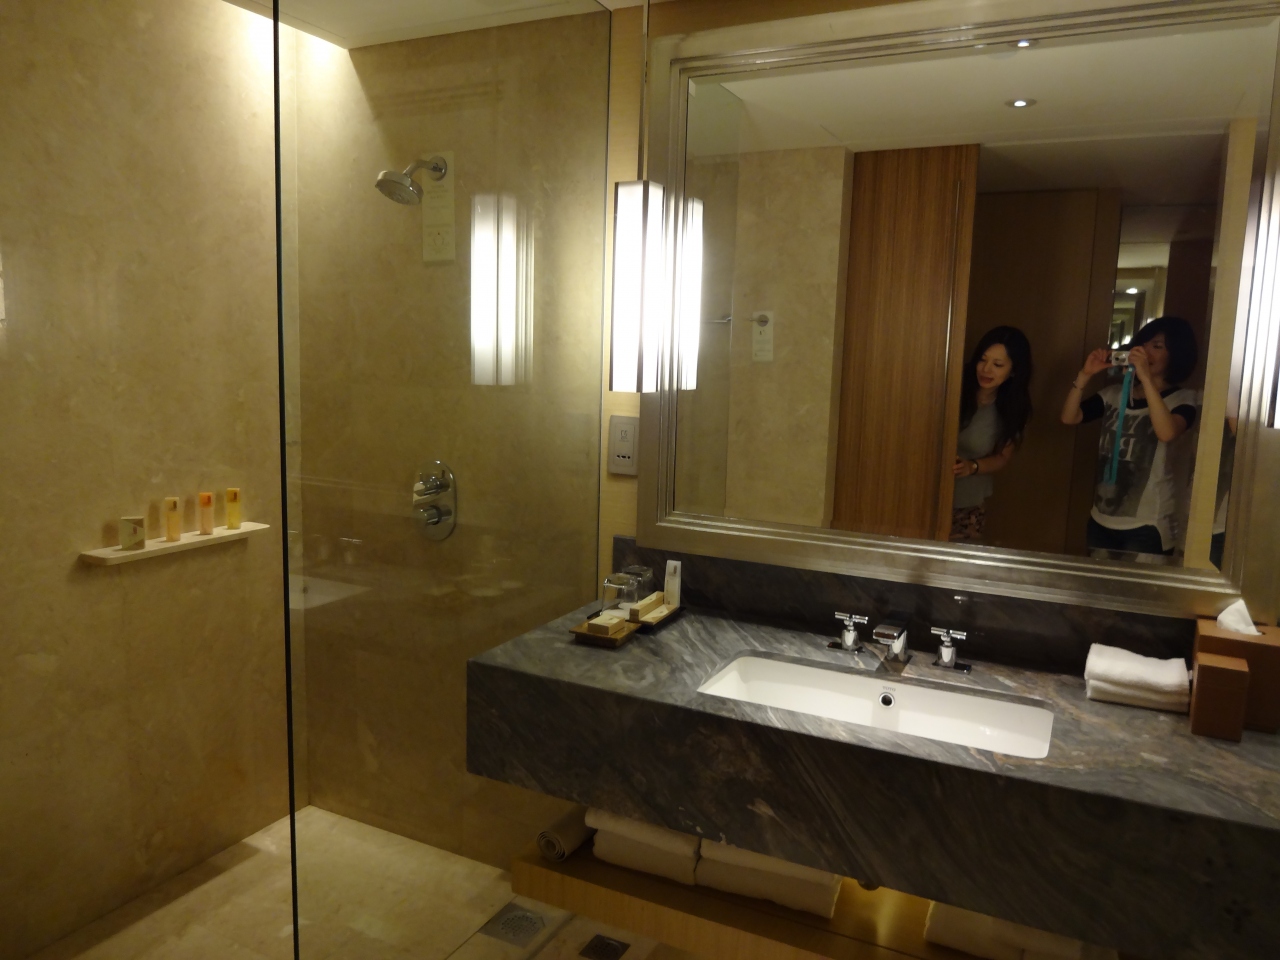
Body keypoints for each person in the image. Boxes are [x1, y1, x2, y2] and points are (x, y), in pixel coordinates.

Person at [1060, 316, 1199, 558]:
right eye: (1143, 344)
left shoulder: (1183, 399)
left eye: (1157, 346)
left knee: (1140, 583)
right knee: (1098, 581)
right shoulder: (1115, 394)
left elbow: (1166, 432)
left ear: (1176, 355)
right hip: (1101, 518)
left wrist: (1146, 379)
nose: (1145, 352)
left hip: (1148, 524)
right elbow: (1069, 417)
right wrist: (1084, 375)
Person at [950, 326, 1033, 542]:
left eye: (997, 365)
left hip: (967, 503)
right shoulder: (953, 384)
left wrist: (971, 467)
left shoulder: (1013, 407)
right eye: (982, 360)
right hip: (921, 489)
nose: (986, 369)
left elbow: (1002, 457)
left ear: (1013, 371)